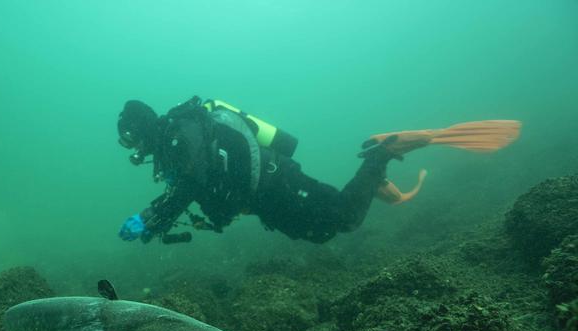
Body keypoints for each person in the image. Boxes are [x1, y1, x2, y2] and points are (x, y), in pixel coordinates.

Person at [116, 96, 520, 244]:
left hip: (276, 183)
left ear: (141, 128)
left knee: (343, 219)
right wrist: (158, 218)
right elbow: (199, 183)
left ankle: (381, 154)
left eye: (131, 139)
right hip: (269, 192)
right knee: (321, 230)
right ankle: (376, 173)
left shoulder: (180, 135)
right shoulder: (177, 140)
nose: (134, 149)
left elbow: (191, 184)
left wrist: (150, 218)